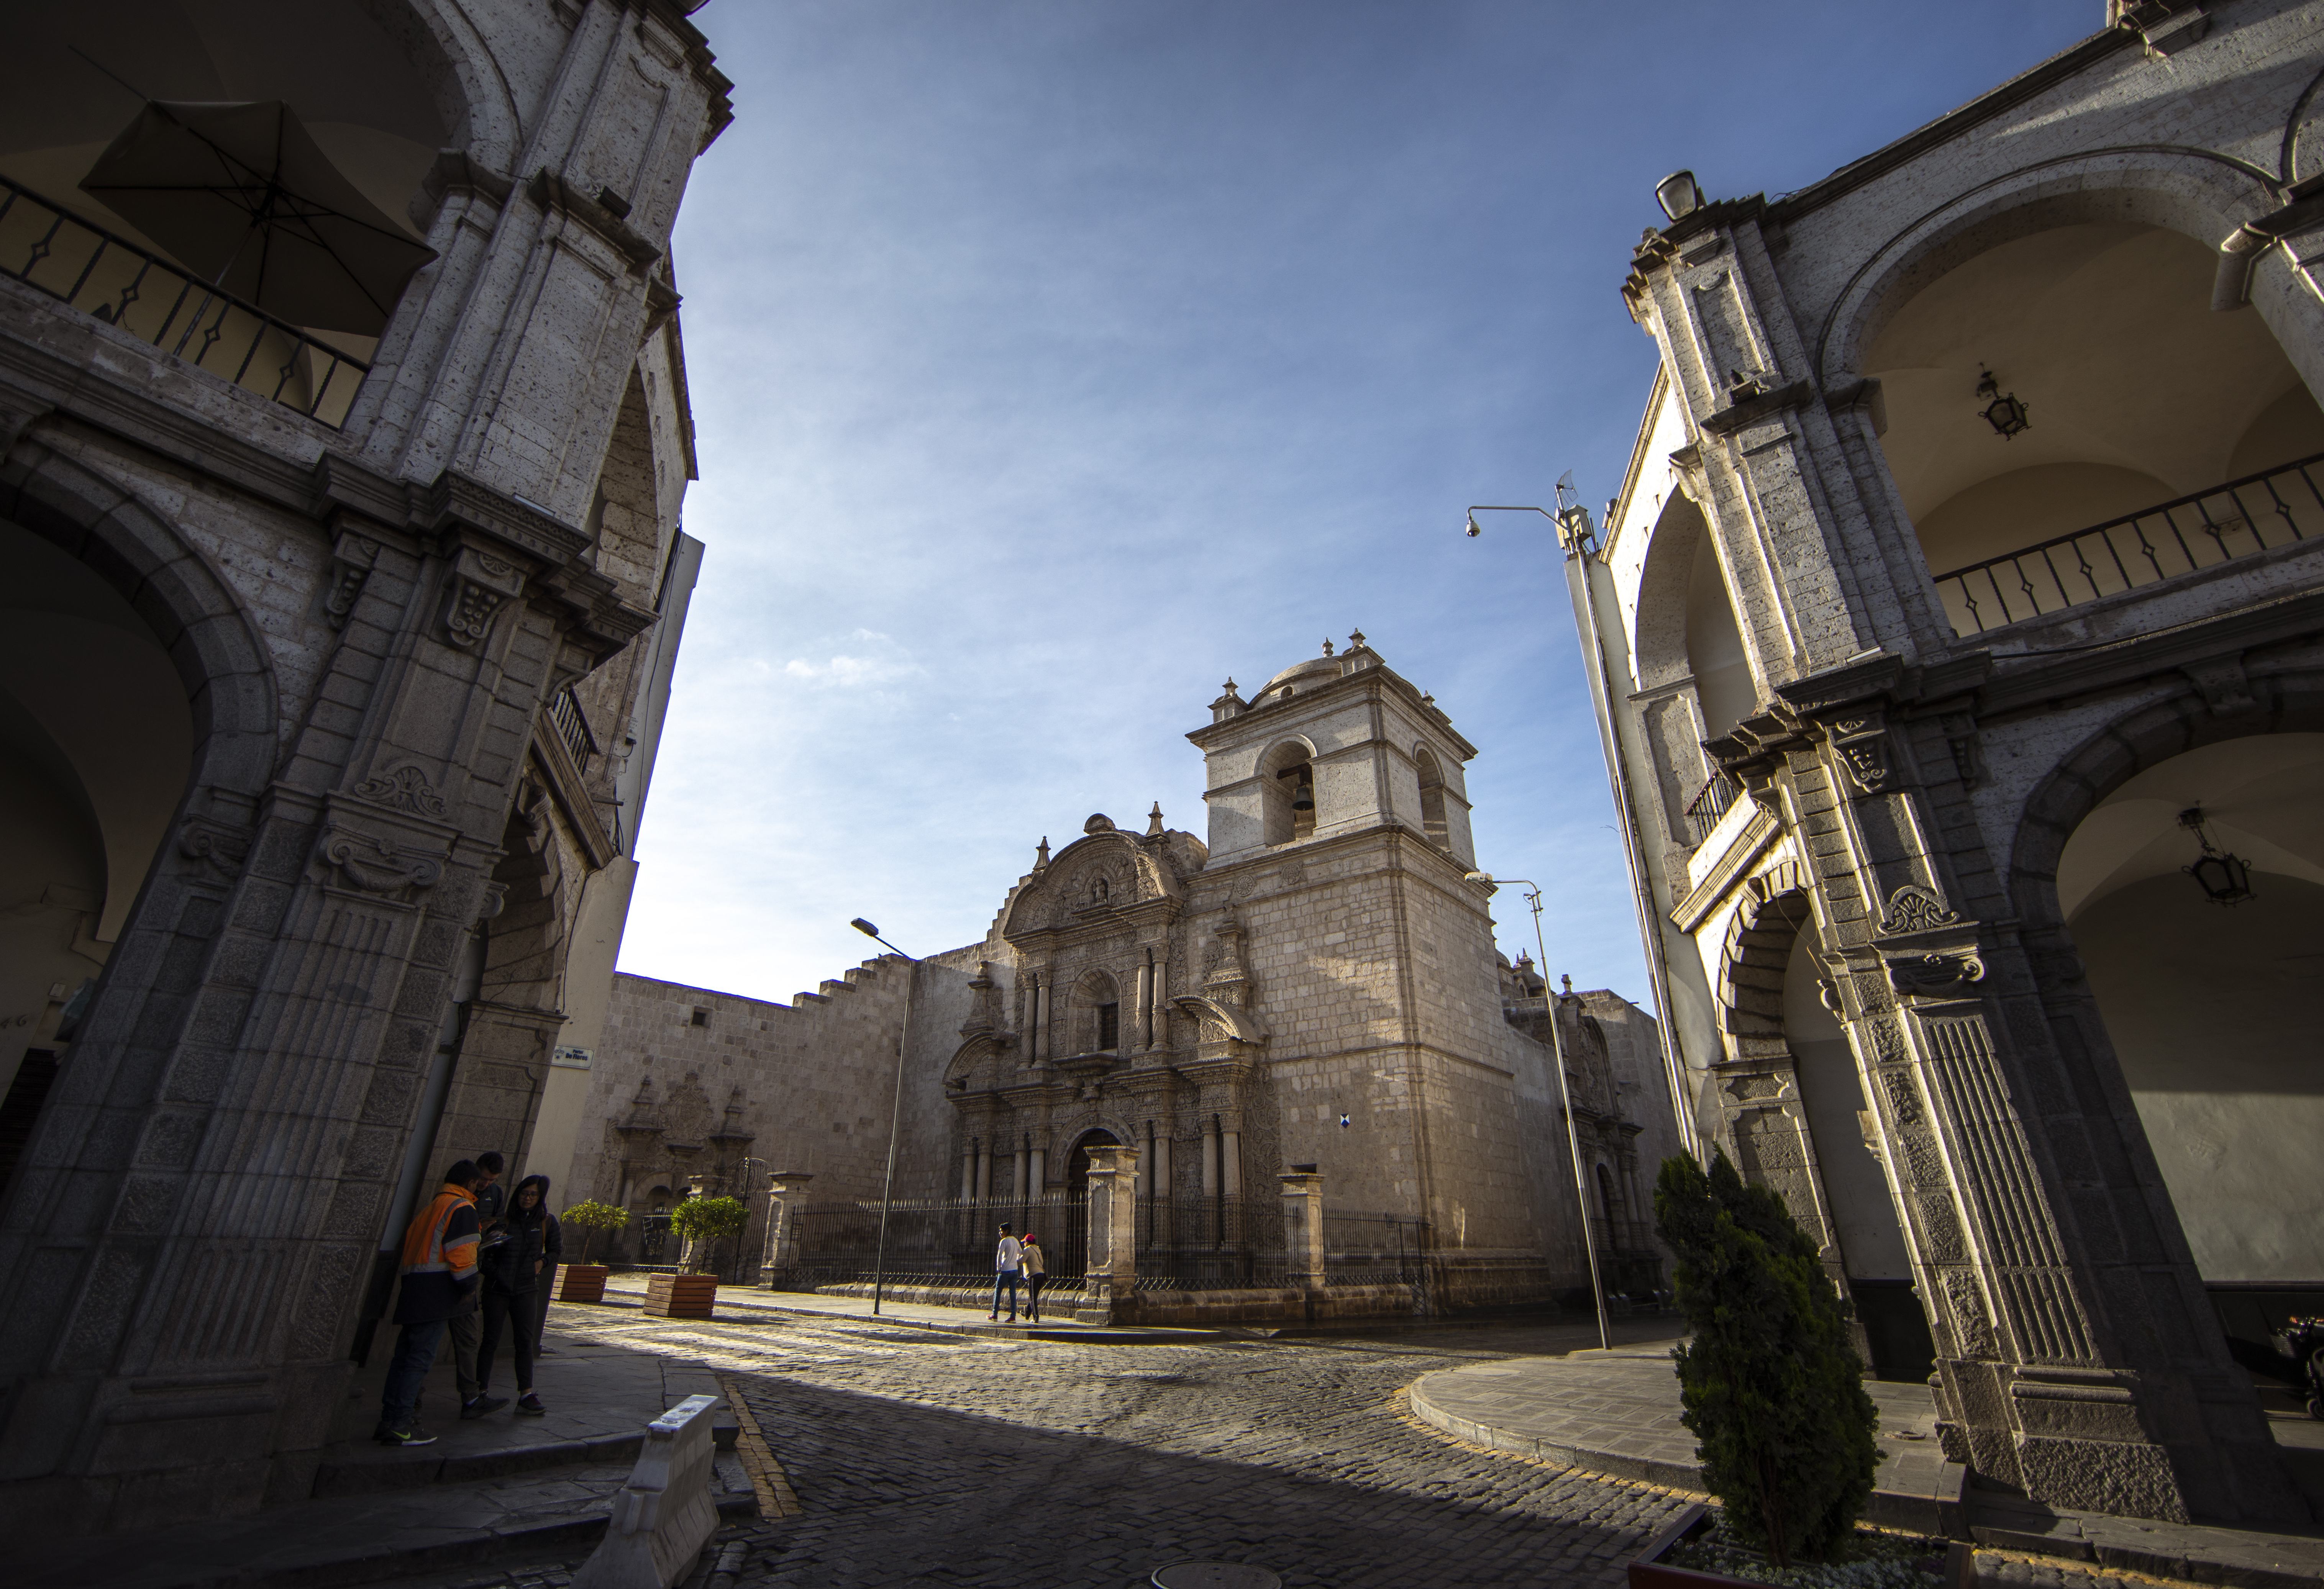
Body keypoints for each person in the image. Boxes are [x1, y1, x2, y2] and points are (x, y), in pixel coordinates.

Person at [375, 1160, 487, 1445]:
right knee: (418, 1362)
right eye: (478, 1184)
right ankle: (402, 1425)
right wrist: (469, 1286)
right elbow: (462, 1255)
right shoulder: (461, 1208)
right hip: (437, 1293)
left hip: (414, 1289)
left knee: (403, 1360)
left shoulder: (432, 1207)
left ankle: (389, 1421)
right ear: (470, 1183)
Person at [477, 1174, 557, 1414]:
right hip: (497, 1288)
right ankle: (480, 1391)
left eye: (533, 1194)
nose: (528, 1198)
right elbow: (484, 1253)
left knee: (524, 1341)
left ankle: (527, 1394)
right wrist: (496, 1272)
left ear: (539, 1198)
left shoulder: (546, 1222)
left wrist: (542, 1262)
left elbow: (555, 1250)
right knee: (490, 1340)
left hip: (526, 1289)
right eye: (524, 1193)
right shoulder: (503, 1221)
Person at [448, 1150, 508, 1416]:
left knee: (469, 1339)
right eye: (482, 1179)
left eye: (491, 1180)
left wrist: (492, 1232)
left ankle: (471, 1397)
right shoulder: (457, 1199)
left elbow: (499, 1220)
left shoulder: (495, 1194)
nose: (485, 1185)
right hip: (453, 1274)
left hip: (471, 1270)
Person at [990, 1222, 1023, 1322]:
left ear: (1006, 1231)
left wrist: (999, 1268)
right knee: (1013, 1293)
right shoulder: (1016, 1241)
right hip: (1014, 1270)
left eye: (1001, 1231)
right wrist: (1015, 1262)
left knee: (998, 1292)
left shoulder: (1004, 1241)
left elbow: (999, 1256)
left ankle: (995, 1314)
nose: (1000, 1233)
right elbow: (1021, 1253)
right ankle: (1013, 1316)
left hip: (1005, 1271)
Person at [1020, 1232, 1047, 1323]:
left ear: (1027, 1242)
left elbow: (1021, 1261)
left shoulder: (1028, 1249)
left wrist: (1012, 1261)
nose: (1024, 1244)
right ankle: (1027, 1314)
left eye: (1025, 1242)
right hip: (1041, 1275)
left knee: (1033, 1298)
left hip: (1033, 1276)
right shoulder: (1037, 1249)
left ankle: (1036, 1317)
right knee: (1034, 1296)